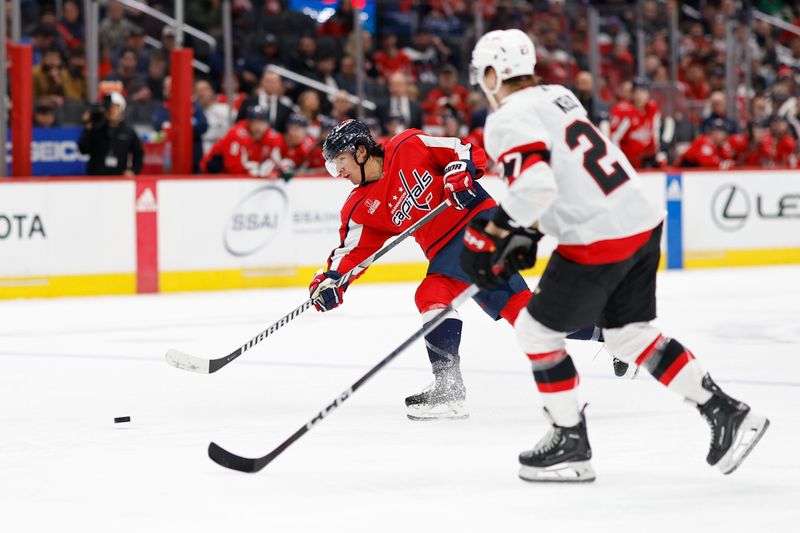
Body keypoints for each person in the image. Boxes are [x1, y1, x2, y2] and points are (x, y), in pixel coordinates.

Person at [463, 28, 769, 483]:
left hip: (599, 235)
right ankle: (725, 411)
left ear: (493, 73)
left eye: (482, 75)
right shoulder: (559, 95)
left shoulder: (507, 117)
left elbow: (536, 186)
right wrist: (529, 229)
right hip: (640, 219)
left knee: (534, 329)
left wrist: (493, 233)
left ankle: (569, 440)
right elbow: (564, 176)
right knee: (628, 335)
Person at [310, 119, 600, 420]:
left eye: (340, 160)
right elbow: (353, 252)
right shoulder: (359, 206)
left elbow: (466, 151)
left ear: (360, 151)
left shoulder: (409, 145)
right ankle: (610, 333)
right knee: (527, 317)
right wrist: (332, 281)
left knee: (432, 293)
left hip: (480, 227)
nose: (338, 172)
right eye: (333, 166)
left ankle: (448, 387)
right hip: (450, 256)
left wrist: (460, 173)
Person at [200, 105, 285, 177]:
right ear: (248, 123)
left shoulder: (272, 137)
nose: (258, 127)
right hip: (213, 174)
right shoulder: (236, 134)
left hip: (240, 177)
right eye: (254, 122)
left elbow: (277, 162)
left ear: (268, 124)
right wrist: (256, 170)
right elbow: (233, 167)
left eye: (262, 123)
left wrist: (276, 170)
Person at [78, 92, 143, 176]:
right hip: (96, 178)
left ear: (121, 108)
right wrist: (87, 129)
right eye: (109, 107)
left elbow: (138, 154)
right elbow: (83, 150)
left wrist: (133, 170)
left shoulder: (128, 132)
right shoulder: (96, 129)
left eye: (115, 107)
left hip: (119, 178)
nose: (111, 110)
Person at [609, 76, 665, 168]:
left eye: (643, 92)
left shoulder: (652, 109)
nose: (640, 96)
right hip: (627, 162)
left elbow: (655, 135)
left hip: (645, 160)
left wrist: (656, 155)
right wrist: (619, 161)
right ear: (632, 94)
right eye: (637, 92)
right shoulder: (625, 111)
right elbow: (614, 139)